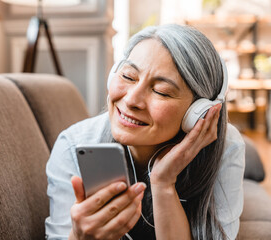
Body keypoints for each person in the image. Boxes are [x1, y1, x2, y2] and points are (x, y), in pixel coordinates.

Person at [45, 24, 245, 240]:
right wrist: (78, 236)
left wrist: (164, 182)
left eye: (161, 91)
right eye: (128, 77)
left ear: (198, 113)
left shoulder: (226, 147)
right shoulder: (73, 144)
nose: (131, 100)